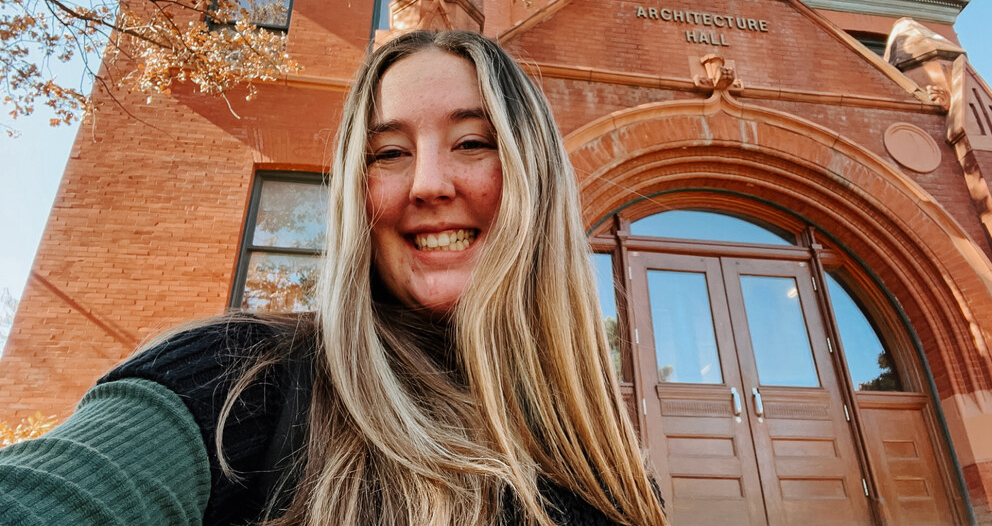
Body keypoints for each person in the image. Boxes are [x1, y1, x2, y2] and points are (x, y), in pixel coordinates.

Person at [0, 30, 669, 526]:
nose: (429, 183)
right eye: (388, 153)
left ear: (537, 181)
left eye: (472, 142)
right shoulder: (237, 382)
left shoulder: (612, 472)